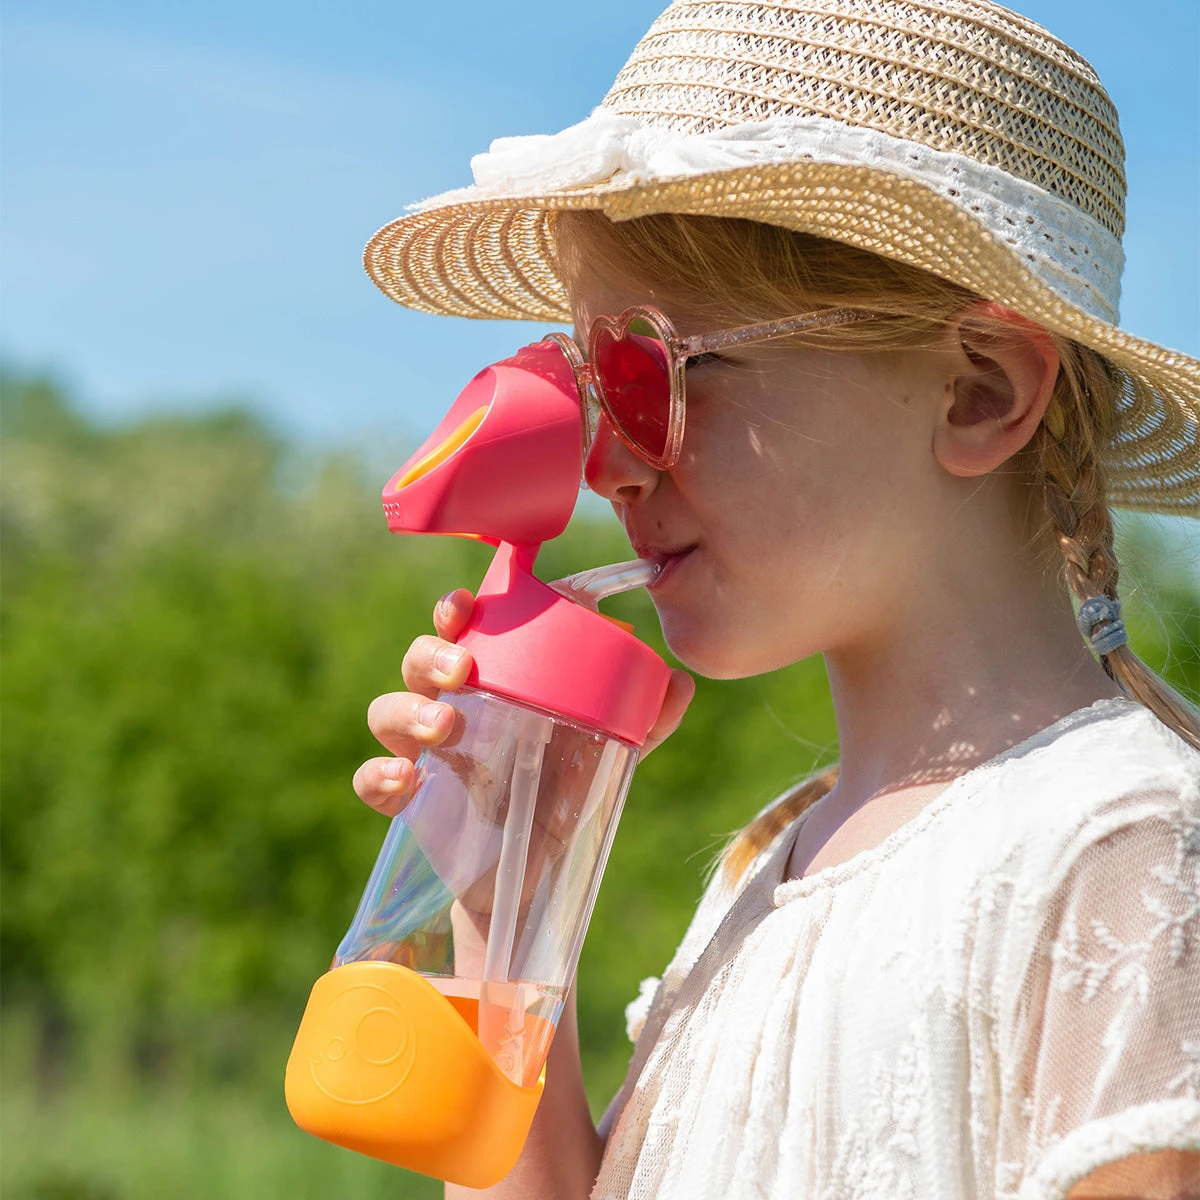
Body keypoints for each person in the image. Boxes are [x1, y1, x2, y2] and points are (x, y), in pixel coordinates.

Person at [351, 2, 1200, 1197]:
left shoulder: (1117, 847)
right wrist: (510, 896)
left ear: (977, 392)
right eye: (587, 389)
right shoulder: (773, 860)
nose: (609, 465)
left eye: (650, 376)